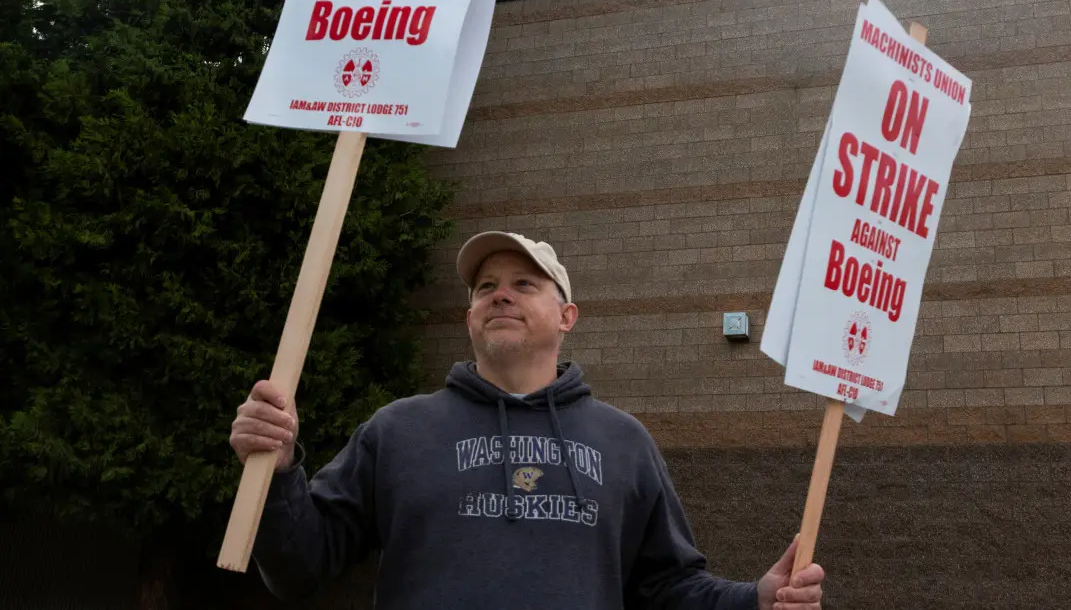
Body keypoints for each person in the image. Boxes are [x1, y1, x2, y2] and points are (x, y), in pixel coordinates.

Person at [231, 231, 826, 609]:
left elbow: (669, 589)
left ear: (566, 315)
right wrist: (277, 471)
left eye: (523, 284)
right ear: (469, 317)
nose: (500, 294)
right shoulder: (397, 432)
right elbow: (298, 570)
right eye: (485, 286)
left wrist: (756, 599)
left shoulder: (624, 444)